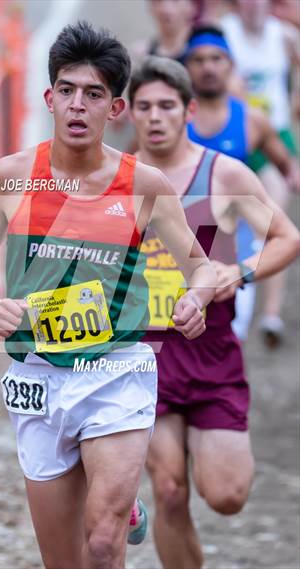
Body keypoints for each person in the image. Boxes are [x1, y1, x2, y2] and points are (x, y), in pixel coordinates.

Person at [0, 21, 216, 569]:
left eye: (94, 94)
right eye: (68, 91)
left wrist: (196, 298)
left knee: (101, 546)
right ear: (50, 98)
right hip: (37, 374)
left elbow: (201, 267)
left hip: (116, 368)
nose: (78, 105)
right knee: (64, 560)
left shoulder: (144, 185)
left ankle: (116, 508)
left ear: (114, 109)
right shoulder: (11, 177)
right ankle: (123, 506)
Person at [129, 56, 300, 569]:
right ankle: (123, 488)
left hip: (212, 353)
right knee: (170, 489)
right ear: (128, 112)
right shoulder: (117, 180)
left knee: (227, 495)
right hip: (145, 355)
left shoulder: (223, 173)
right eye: (143, 106)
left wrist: (239, 271)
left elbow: (286, 237)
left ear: (189, 110)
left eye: (166, 106)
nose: (155, 117)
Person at [183, 24, 299, 341]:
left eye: (216, 58)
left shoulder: (251, 120)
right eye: (199, 59)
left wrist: (291, 173)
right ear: (186, 66)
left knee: (230, 333)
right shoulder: (172, 119)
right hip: (178, 242)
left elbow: (284, 161)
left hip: (235, 242)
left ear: (230, 65)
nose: (208, 67)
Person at [221, 0, 299, 345]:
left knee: (274, 220)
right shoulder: (226, 32)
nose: (254, 5)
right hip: (237, 133)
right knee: (228, 218)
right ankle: (231, 292)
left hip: (275, 134)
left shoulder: (284, 35)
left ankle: (270, 315)